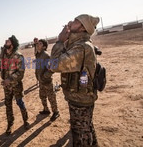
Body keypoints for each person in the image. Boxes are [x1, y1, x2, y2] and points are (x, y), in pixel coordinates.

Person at [50, 14, 99, 146]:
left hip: (80, 100)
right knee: (87, 128)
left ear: (83, 28)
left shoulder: (81, 47)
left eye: (76, 21)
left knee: (81, 135)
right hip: (80, 97)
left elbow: (53, 65)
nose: (71, 21)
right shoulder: (76, 45)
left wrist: (60, 41)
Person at [0, 35, 29, 135]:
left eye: (8, 41)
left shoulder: (18, 56)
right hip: (6, 86)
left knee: (20, 103)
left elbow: (21, 73)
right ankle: (10, 124)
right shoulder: (3, 55)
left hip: (16, 84)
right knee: (8, 105)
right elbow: (1, 66)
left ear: (12, 44)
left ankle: (25, 121)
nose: (5, 42)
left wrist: (9, 79)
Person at [35, 39, 60, 121]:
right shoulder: (38, 55)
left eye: (40, 43)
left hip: (46, 81)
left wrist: (45, 77)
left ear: (44, 47)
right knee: (42, 96)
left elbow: (51, 68)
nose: (38, 44)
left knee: (51, 97)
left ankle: (56, 112)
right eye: (37, 43)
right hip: (41, 81)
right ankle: (46, 109)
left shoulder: (46, 55)